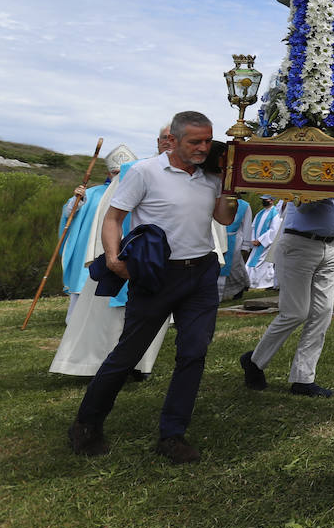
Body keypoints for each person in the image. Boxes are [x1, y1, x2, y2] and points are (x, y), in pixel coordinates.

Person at [67, 111, 238, 463]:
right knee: (128, 352)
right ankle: (87, 424)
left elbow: (224, 218)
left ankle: (172, 436)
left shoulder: (211, 176)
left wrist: (230, 183)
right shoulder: (145, 172)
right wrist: (113, 259)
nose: (204, 148)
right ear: (172, 140)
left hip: (201, 273)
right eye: (195, 142)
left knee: (193, 353)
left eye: (207, 141)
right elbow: (113, 218)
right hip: (156, 274)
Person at [240, 196, 334, 397]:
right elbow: (305, 206)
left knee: (322, 313)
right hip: (299, 243)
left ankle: (303, 379)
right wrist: (333, 191)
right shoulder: (310, 175)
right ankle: (254, 361)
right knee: (295, 312)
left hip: (330, 247)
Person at [59, 145, 136, 318]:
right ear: (109, 174)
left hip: (125, 248)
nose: (119, 177)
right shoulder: (92, 193)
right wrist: (77, 201)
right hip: (90, 246)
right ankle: (77, 318)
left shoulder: (138, 194)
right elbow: (70, 213)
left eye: (124, 172)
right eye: (115, 173)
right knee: (87, 280)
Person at [219, 197, 253, 300]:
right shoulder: (218, 200)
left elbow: (247, 226)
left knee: (234, 267)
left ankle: (238, 288)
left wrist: (246, 245)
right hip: (218, 238)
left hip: (234, 240)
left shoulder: (244, 206)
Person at [246, 195, 282, 290]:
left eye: (265, 199)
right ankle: (251, 282)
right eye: (263, 200)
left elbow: (274, 230)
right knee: (252, 263)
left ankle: (264, 283)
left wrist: (261, 240)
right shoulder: (260, 213)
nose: (263, 201)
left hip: (266, 244)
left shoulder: (275, 214)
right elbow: (253, 227)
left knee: (263, 264)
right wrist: (253, 239)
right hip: (256, 244)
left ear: (271, 200)